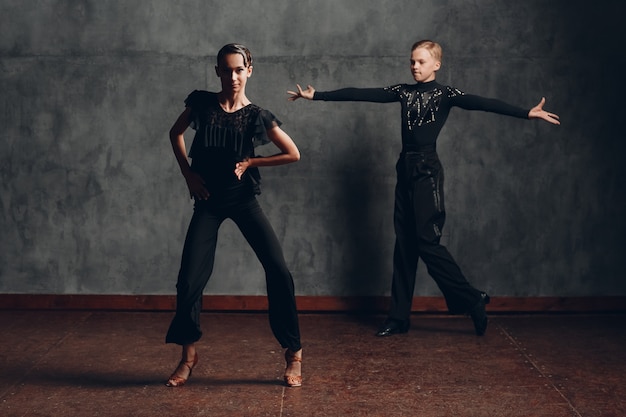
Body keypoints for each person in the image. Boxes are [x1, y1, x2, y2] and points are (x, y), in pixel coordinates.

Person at [288, 39, 560, 337]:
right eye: (412, 62)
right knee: (404, 245)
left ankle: (472, 298)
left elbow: (483, 103)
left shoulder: (446, 94)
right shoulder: (402, 92)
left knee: (426, 241)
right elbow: (364, 94)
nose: (414, 66)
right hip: (405, 167)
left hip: (427, 172)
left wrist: (526, 113)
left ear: (436, 65)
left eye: (420, 62)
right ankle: (399, 317)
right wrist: (318, 96)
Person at [165, 43, 302, 388]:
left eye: (239, 69)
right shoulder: (202, 104)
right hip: (208, 202)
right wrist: (188, 175)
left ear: (249, 70)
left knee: (278, 270)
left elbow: (292, 153)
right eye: (226, 70)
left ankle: (294, 353)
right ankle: (188, 356)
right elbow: (175, 133)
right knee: (189, 279)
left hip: (242, 201)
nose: (233, 76)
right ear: (218, 72)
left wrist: (254, 161)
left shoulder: (257, 115)